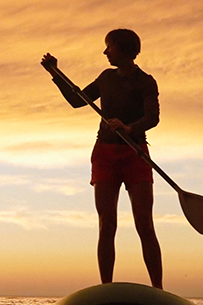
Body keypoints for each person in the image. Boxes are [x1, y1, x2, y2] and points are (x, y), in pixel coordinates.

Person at [42, 29, 163, 289]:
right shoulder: (106, 78)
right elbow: (77, 100)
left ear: (123, 49)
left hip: (136, 155)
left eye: (109, 47)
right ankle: (106, 287)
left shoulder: (146, 81)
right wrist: (55, 73)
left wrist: (130, 128)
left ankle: (158, 289)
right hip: (105, 155)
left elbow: (152, 117)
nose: (105, 52)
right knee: (106, 224)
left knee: (145, 224)